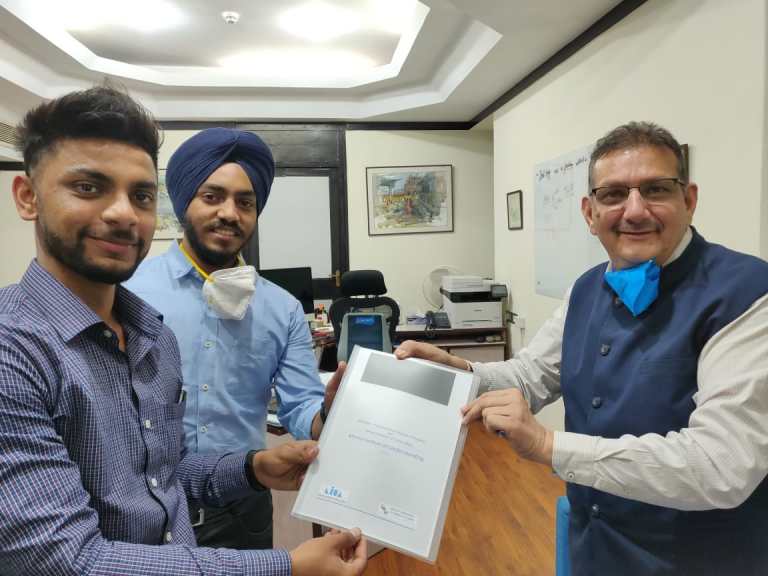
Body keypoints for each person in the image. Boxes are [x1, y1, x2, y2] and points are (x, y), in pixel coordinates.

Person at [0, 85, 366, 576]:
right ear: (28, 197)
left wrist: (253, 466)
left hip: (226, 517)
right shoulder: (14, 349)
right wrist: (286, 568)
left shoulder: (151, 333)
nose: (122, 213)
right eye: (88, 187)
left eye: (140, 195)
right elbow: (64, 560)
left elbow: (161, 473)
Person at [397, 122, 768, 575]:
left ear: (688, 200)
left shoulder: (748, 294)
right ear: (590, 213)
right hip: (595, 549)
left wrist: (548, 444)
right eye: (614, 195)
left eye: (656, 189)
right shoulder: (586, 289)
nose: (635, 211)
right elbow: (531, 376)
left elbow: (721, 464)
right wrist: (460, 373)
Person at [125, 127, 340, 550]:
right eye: (212, 196)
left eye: (245, 202)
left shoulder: (281, 309)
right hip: (146, 504)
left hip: (242, 506)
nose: (230, 213)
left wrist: (329, 414)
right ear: (184, 203)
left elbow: (301, 408)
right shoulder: (129, 291)